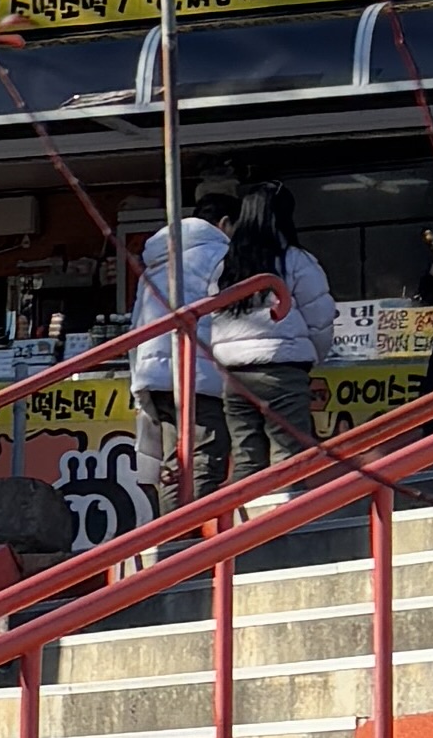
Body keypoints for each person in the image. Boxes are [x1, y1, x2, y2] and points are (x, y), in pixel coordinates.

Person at [209, 181, 335, 480]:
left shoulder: (226, 265)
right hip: (282, 370)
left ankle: (244, 511)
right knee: (288, 457)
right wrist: (312, 357)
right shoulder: (296, 260)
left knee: (246, 459)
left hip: (235, 375)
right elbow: (320, 318)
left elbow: (211, 317)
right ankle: (287, 512)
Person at [129, 187, 231, 505]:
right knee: (206, 459)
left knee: (174, 466)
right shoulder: (220, 255)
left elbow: (136, 324)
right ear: (225, 223)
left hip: (156, 375)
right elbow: (227, 315)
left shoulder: (159, 260)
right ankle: (196, 533)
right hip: (198, 374)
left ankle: (173, 532)